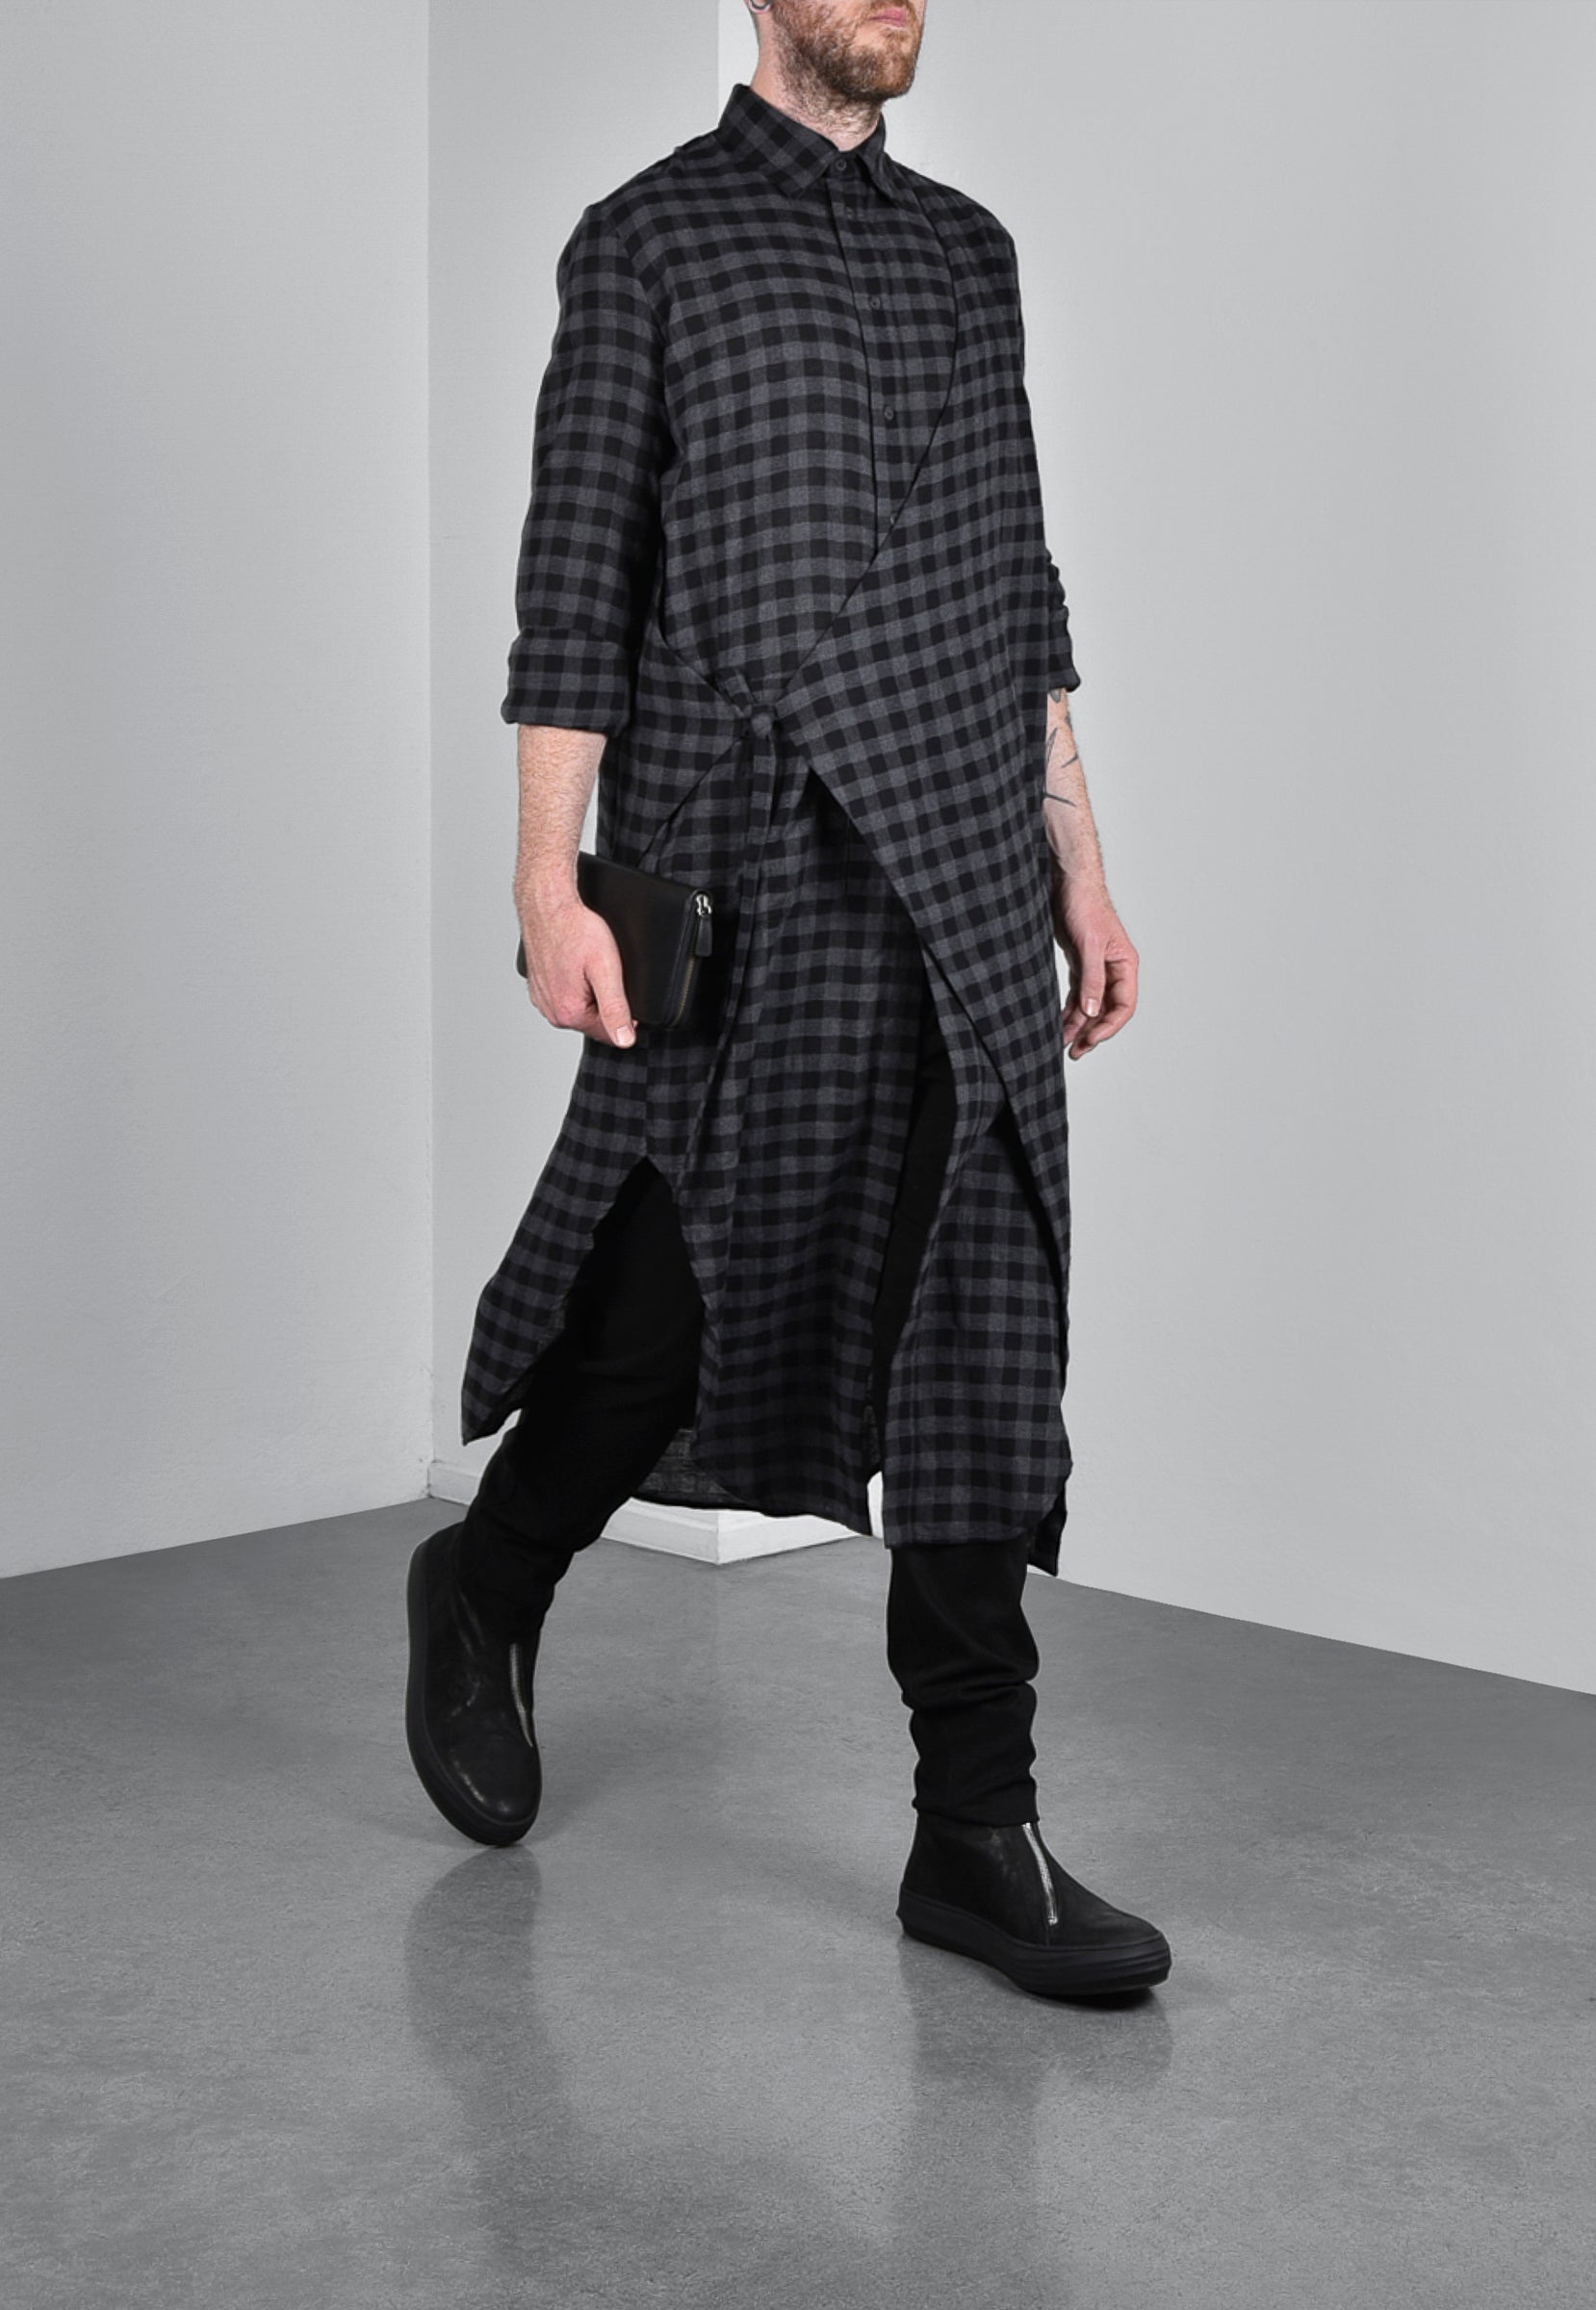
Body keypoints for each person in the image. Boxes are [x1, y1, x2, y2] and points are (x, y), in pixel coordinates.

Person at [406, 0, 1171, 2001]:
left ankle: (974, 1830)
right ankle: (486, 1579)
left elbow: (1016, 586)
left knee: (980, 1320)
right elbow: (575, 591)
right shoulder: (645, 236)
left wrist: (1080, 861)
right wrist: (544, 881)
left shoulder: (970, 252)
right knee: (665, 1318)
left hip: (964, 861)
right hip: (746, 857)